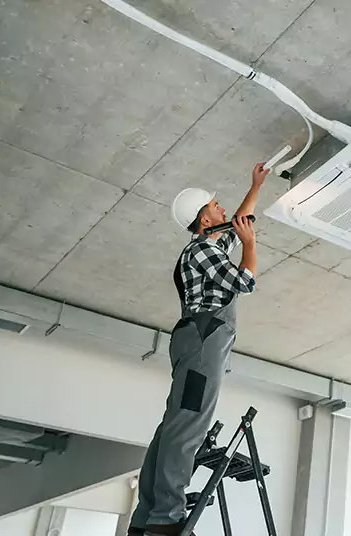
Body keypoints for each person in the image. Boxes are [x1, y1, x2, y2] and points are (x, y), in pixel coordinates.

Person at [127, 163, 270, 536]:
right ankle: (165, 517)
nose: (222, 209)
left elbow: (241, 220)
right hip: (204, 341)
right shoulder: (203, 250)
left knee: (174, 427)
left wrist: (255, 185)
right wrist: (252, 245)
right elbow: (244, 281)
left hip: (199, 340)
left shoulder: (209, 245)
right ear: (203, 218)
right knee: (187, 427)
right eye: (216, 205)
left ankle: (147, 516)